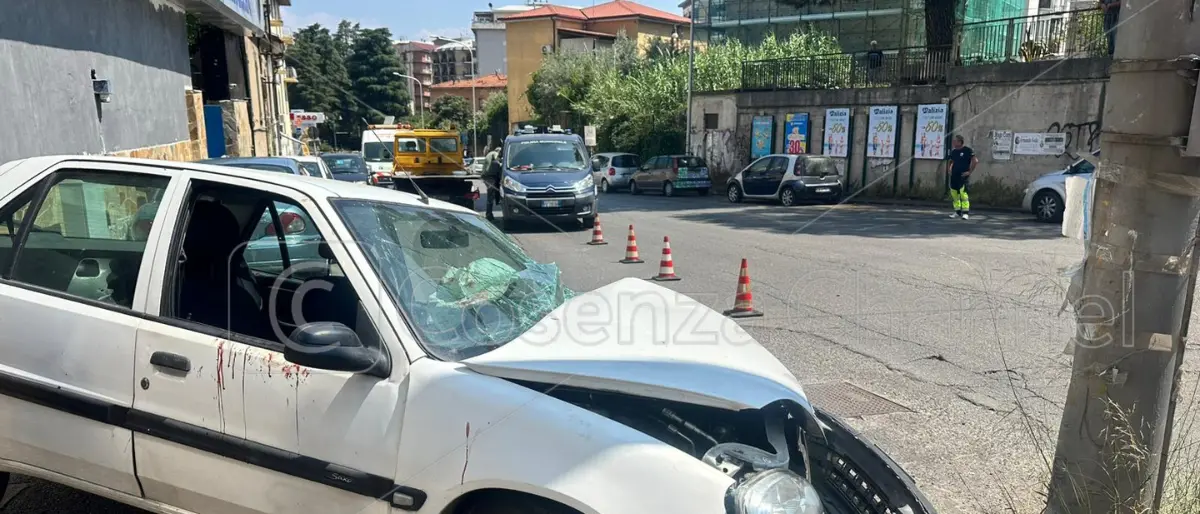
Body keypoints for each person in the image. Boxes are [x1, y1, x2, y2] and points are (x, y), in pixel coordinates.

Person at [946, 135, 978, 220]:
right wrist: (949, 169)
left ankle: (965, 213)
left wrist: (969, 172)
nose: (953, 143)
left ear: (960, 142)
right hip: (954, 176)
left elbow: (975, 161)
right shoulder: (954, 152)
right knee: (954, 194)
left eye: (955, 141)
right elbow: (950, 161)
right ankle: (957, 212)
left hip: (963, 176)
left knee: (963, 194)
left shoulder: (967, 150)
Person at [482, 144, 503, 221]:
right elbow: (497, 160)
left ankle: (489, 214)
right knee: (490, 196)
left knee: (492, 195)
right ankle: (488, 215)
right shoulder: (494, 153)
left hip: (487, 176)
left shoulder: (489, 154)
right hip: (489, 177)